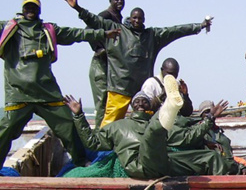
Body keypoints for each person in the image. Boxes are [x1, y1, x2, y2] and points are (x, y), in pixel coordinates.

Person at [0, 0, 119, 169]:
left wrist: (103, 34)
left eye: (34, 7)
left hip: (46, 92)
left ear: (39, 10)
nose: (30, 10)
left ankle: (80, 161)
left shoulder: (49, 30)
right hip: (18, 93)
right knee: (5, 130)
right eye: (28, 7)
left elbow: (77, 34)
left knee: (68, 126)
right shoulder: (8, 28)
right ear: (22, 9)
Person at [64, 0, 213, 127]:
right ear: (130, 18)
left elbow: (175, 31)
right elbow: (94, 20)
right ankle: (103, 152)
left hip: (141, 92)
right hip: (119, 88)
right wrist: (77, 7)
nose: (136, 20)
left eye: (139, 18)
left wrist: (198, 26)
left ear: (144, 20)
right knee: (108, 124)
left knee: (145, 123)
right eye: (134, 18)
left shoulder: (152, 36)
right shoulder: (117, 30)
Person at [66, 75, 230, 179]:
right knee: (152, 134)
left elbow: (185, 138)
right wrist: (79, 115)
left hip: (163, 162)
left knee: (209, 157)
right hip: (138, 165)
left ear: (150, 104)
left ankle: (235, 183)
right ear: (131, 107)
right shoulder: (118, 127)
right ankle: (170, 106)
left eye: (144, 100)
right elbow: (92, 142)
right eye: (136, 101)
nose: (140, 103)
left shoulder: (158, 122)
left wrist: (208, 120)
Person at [88, 0, 125, 129]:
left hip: (110, 66)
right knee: (102, 103)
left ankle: (106, 135)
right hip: (100, 66)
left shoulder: (119, 18)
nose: (120, 2)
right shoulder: (105, 15)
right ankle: (99, 138)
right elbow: (88, 30)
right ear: (110, 1)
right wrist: (98, 48)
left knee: (110, 102)